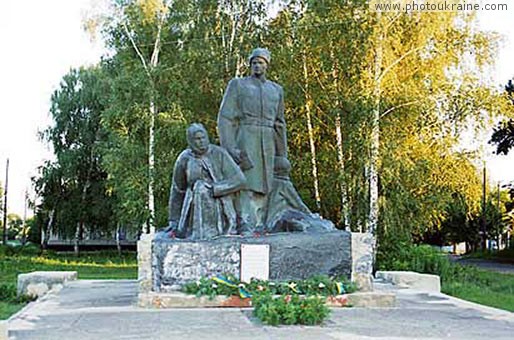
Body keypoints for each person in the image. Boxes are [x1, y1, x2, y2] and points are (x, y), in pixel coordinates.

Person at [217, 48, 287, 232]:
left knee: (266, 184)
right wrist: (230, 149)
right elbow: (225, 118)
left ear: (267, 65)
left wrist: (282, 154)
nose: (257, 65)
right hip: (246, 139)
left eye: (261, 62)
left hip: (268, 142)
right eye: (254, 62)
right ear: (250, 65)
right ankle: (245, 221)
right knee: (246, 183)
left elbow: (279, 124)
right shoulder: (238, 85)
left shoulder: (276, 90)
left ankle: (261, 223)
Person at [165, 123, 246, 240]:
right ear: (191, 141)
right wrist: (173, 220)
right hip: (193, 206)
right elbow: (178, 190)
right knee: (199, 188)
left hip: (219, 203)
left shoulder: (219, 153)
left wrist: (216, 189)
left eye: (203, 137)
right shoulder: (184, 158)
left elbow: (240, 180)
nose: (201, 141)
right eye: (197, 139)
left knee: (202, 189)